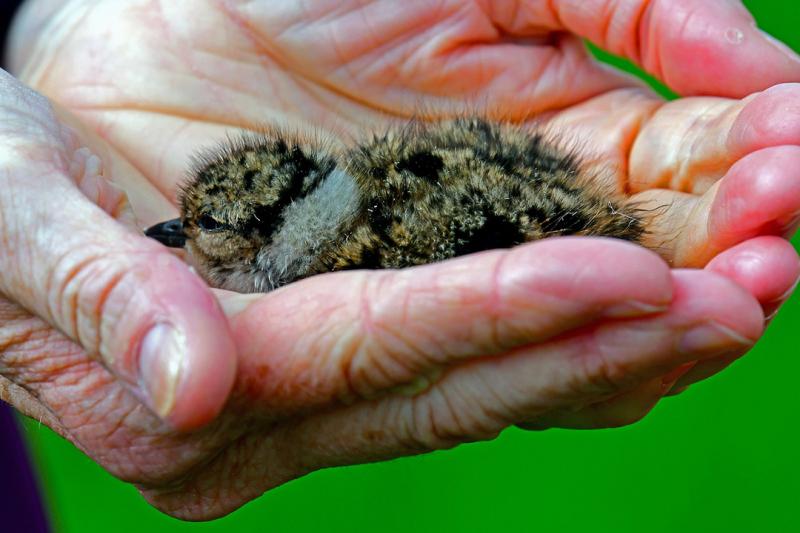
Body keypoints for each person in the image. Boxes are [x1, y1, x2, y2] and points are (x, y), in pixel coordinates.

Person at [2, 0, 800, 521]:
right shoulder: (354, 187)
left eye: (207, 230)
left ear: (266, 236)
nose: (183, 236)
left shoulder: (340, 252)